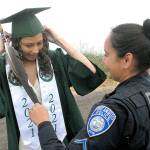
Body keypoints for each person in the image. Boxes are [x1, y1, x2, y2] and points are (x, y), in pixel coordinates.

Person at [29, 19, 150, 150]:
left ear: (126, 60)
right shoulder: (144, 91)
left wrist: (43, 124)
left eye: (106, 54)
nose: (103, 60)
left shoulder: (113, 110)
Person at [0, 7, 106, 150]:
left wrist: (59, 40)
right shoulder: (5, 67)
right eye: (29, 45)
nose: (36, 50)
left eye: (39, 43)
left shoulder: (53, 60)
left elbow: (90, 72)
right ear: (17, 43)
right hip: (25, 145)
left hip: (59, 140)